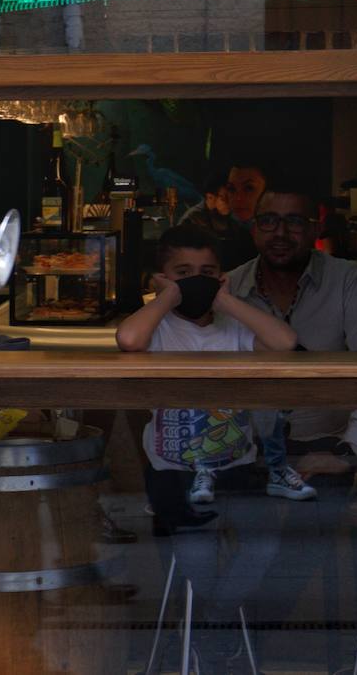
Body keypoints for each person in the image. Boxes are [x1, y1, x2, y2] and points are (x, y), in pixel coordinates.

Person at [116, 224, 309, 526]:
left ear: (220, 277)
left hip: (235, 464)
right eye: (183, 273)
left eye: (206, 273)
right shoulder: (156, 328)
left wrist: (225, 301)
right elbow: (129, 339)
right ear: (163, 279)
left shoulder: (233, 327)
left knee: (254, 555)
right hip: (173, 469)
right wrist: (170, 296)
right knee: (192, 558)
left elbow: (284, 342)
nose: (196, 281)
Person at [227, 187, 357, 477]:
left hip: (325, 446)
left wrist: (348, 449)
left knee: (314, 519)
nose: (280, 232)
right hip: (242, 449)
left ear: (314, 228)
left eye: (294, 221)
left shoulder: (345, 279)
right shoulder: (229, 289)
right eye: (269, 220)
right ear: (254, 229)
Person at [183, 169, 259, 271]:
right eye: (224, 198)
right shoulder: (192, 223)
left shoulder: (237, 225)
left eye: (231, 196)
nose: (230, 202)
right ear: (210, 198)